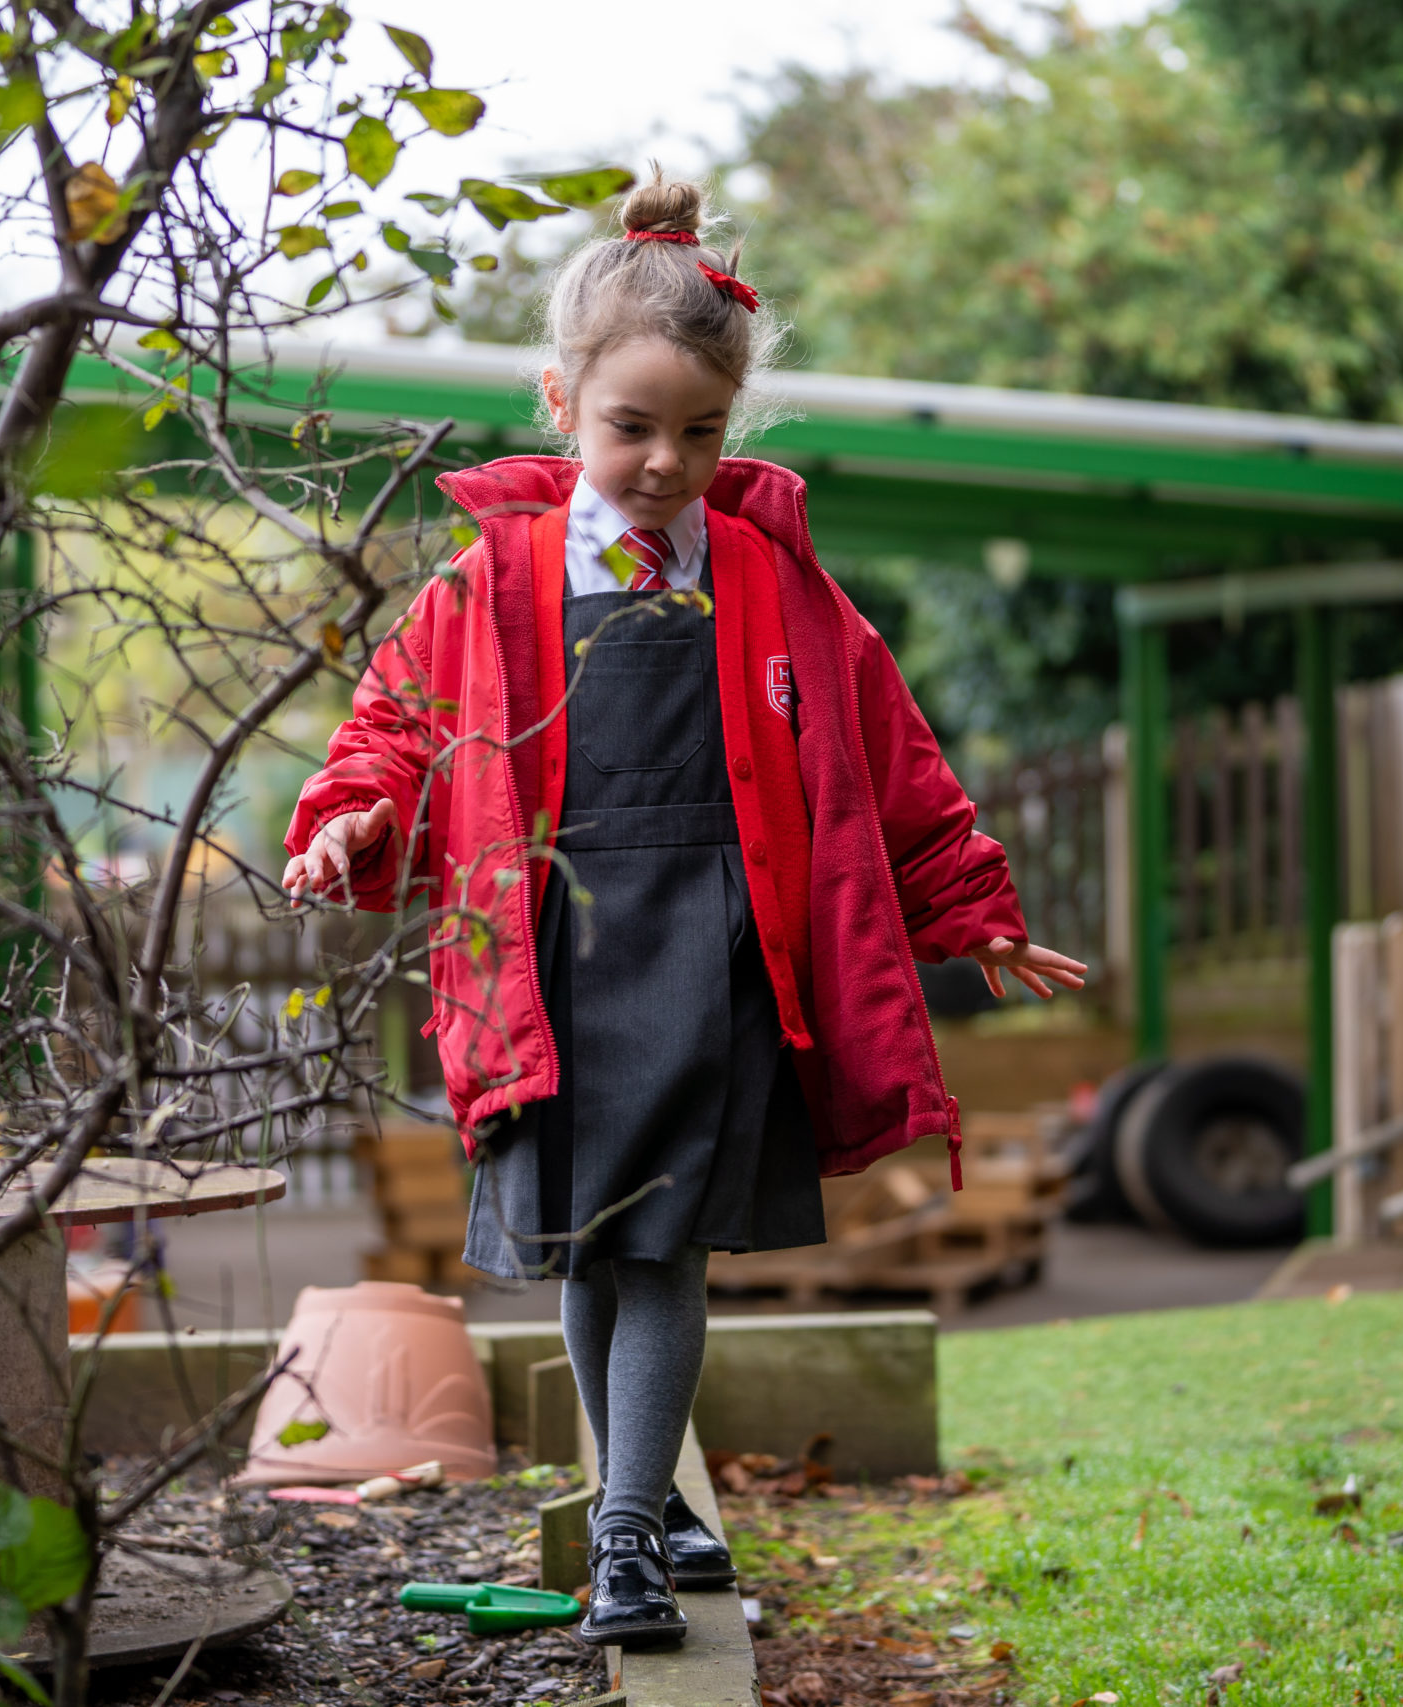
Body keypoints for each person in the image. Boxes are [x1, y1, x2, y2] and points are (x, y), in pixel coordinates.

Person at [283, 174, 1084, 1647]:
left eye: (700, 433)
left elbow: (881, 748)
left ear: (735, 424)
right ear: (558, 402)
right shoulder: (488, 583)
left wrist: (965, 900)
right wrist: (350, 820)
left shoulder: (772, 578)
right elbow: (392, 730)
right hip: (550, 954)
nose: (664, 463)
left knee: (661, 1246)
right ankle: (647, 1508)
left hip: (716, 945)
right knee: (597, 1244)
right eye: (630, 428)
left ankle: (632, 1542)